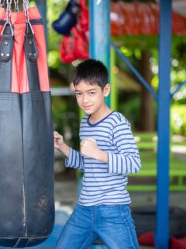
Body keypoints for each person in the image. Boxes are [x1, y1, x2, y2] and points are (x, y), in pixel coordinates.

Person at [54, 59, 141, 249]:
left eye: (91, 93)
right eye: (79, 94)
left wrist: (98, 153)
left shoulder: (117, 122)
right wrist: (63, 147)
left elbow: (134, 163)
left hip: (113, 210)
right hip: (84, 209)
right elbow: (88, 163)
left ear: (106, 90)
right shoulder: (86, 123)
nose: (84, 100)